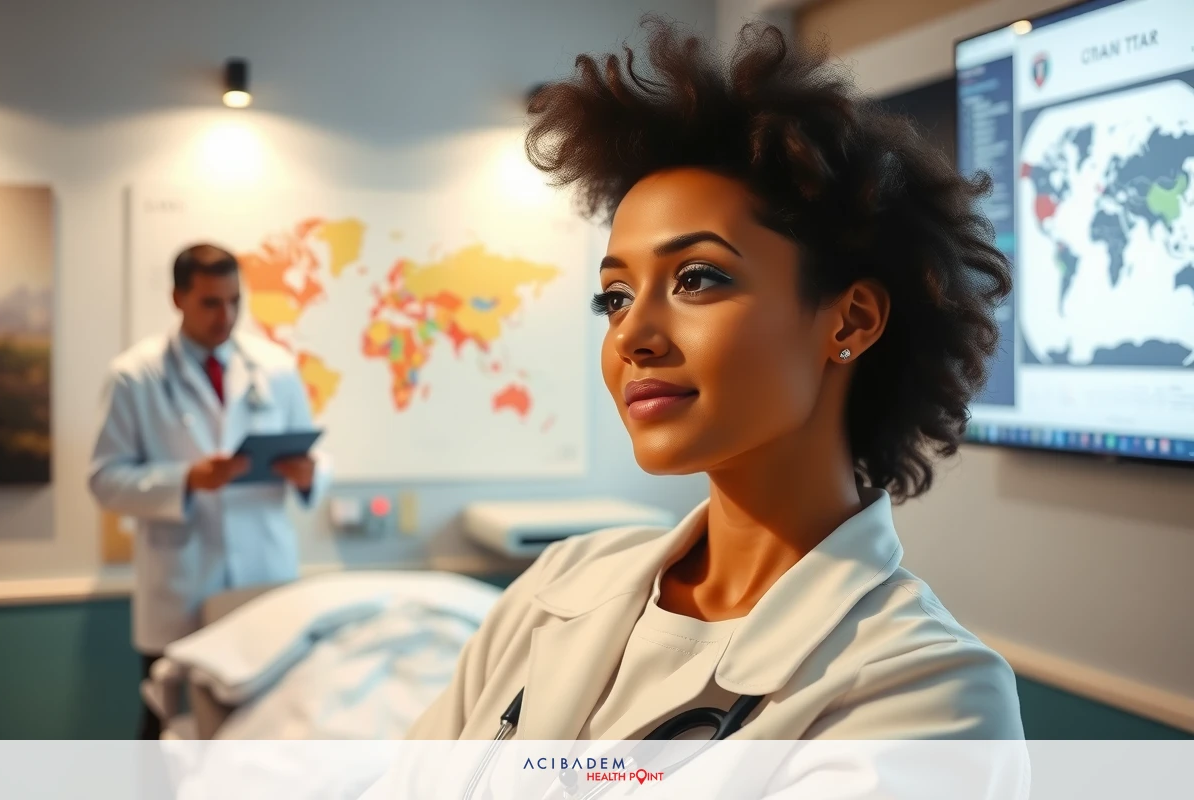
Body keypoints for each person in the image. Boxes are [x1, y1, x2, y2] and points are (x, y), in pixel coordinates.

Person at [407, 19, 1023, 745]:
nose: (631, 336)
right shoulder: (555, 587)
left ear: (851, 320)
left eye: (697, 278)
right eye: (614, 297)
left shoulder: (928, 691)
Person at [88, 243, 331, 739]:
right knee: (167, 730)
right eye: (211, 303)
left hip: (264, 577)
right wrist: (186, 480)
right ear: (178, 298)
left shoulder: (276, 368)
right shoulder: (136, 376)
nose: (226, 317)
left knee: (264, 730)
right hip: (181, 588)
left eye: (235, 301)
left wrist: (309, 474)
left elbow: (316, 456)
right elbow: (104, 480)